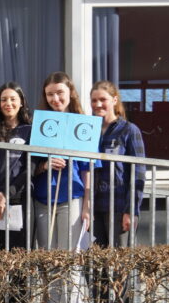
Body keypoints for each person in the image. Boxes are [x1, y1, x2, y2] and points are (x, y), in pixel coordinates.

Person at [33, 72, 95, 252]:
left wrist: (87, 206)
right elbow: (30, 165)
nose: (55, 99)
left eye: (60, 92)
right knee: (47, 258)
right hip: (42, 199)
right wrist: (45, 165)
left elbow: (87, 170)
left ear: (70, 93)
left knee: (69, 257)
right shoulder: (39, 124)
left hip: (71, 198)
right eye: (50, 94)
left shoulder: (83, 124)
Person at [90, 80, 146, 248]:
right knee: (96, 260)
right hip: (93, 207)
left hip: (119, 206)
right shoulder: (88, 131)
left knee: (119, 259)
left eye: (103, 99)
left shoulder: (128, 130)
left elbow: (138, 172)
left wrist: (131, 210)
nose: (98, 104)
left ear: (114, 100)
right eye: (94, 100)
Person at [0, 82, 33, 253]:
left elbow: (30, 168)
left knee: (18, 256)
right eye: (4, 100)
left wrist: (7, 194)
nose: (8, 103)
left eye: (13, 99)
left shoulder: (30, 131)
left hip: (20, 199)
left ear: (21, 102)